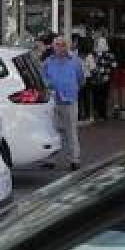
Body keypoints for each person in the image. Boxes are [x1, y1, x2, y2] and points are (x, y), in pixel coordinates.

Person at [43, 37, 84, 170]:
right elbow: (43, 78)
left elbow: (81, 79)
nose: (60, 48)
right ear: (53, 47)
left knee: (71, 130)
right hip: (53, 100)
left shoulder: (75, 61)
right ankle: (51, 159)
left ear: (67, 47)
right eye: (57, 45)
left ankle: (74, 159)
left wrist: (72, 88)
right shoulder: (48, 62)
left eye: (63, 45)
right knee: (53, 129)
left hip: (69, 100)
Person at [92, 41, 116, 120]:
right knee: (104, 97)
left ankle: (96, 113)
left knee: (96, 96)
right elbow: (114, 65)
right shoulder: (110, 55)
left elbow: (91, 67)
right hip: (106, 79)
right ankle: (103, 114)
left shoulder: (93, 55)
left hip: (95, 79)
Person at [78, 38, 97, 122]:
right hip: (87, 78)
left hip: (78, 79)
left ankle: (79, 115)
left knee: (79, 98)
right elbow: (93, 68)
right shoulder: (89, 56)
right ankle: (88, 115)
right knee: (87, 97)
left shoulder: (76, 55)